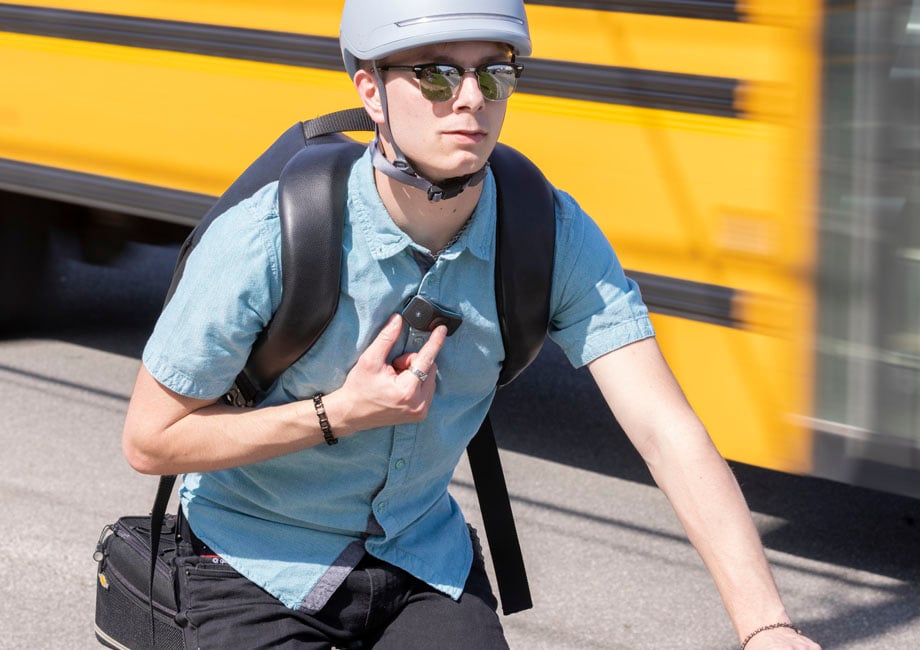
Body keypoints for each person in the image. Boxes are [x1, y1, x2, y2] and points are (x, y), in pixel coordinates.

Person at [122, 1, 821, 648]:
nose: (470, 98)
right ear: (370, 90)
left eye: (494, 71)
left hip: (419, 559)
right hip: (255, 561)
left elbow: (666, 431)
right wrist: (339, 412)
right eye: (434, 74)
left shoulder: (549, 234)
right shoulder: (269, 240)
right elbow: (151, 440)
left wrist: (767, 628)